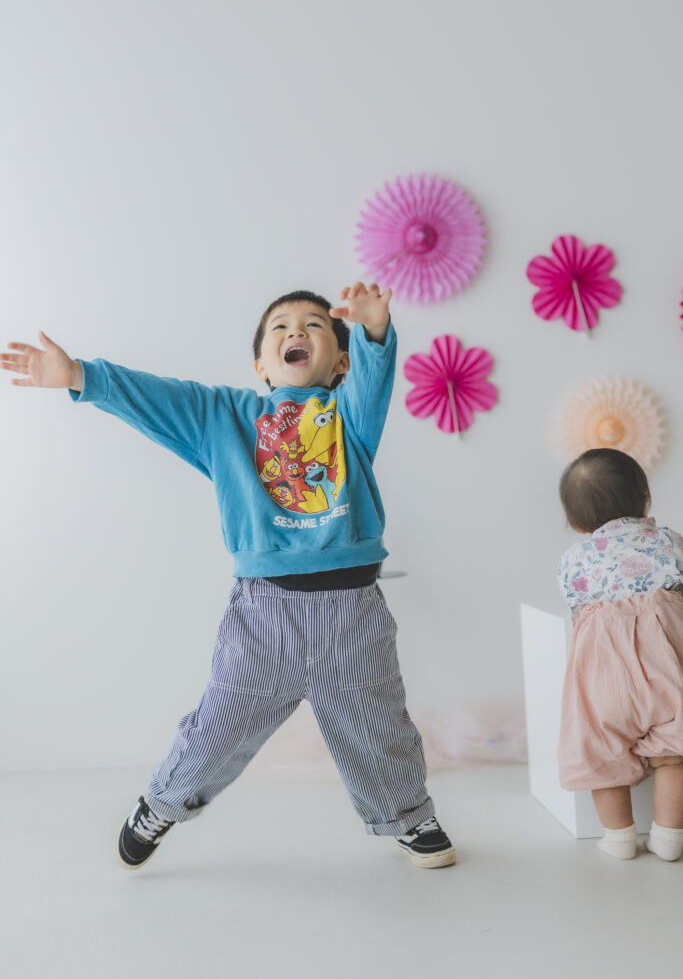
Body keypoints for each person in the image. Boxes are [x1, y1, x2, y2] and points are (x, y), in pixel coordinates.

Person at [1, 282, 455, 870]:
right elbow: (161, 398)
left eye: (315, 325)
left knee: (377, 725)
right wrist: (81, 376)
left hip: (352, 616)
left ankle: (408, 816)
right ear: (261, 365)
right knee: (218, 727)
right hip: (265, 616)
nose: (297, 331)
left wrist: (372, 331)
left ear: (340, 363)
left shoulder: (350, 416)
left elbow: (374, 378)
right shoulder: (226, 418)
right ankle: (162, 803)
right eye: (280, 327)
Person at [556, 447, 683, 861]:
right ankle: (669, 836)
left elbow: (576, 612)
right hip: (668, 665)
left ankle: (619, 838)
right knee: (674, 755)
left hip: (605, 671)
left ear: (577, 521)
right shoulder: (672, 542)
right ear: (645, 500)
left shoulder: (573, 560)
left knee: (601, 753)